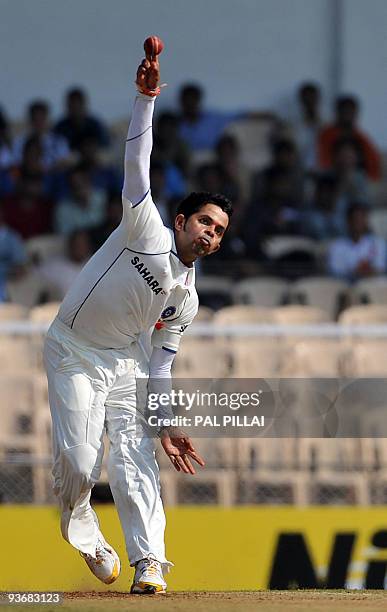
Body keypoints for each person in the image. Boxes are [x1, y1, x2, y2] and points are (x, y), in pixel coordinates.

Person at [43, 40, 232, 595]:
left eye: (219, 230)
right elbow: (135, 161)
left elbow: (162, 366)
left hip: (125, 363)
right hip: (73, 349)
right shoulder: (143, 227)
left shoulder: (187, 300)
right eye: (203, 222)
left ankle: (150, 563)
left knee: (133, 456)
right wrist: (145, 98)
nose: (210, 234)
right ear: (180, 220)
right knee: (79, 463)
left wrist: (167, 420)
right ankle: (88, 536)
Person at [318, 95, 381, 181]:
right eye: (344, 111)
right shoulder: (326, 134)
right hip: (332, 179)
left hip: (358, 180)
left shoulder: (361, 137)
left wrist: (370, 181)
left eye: (351, 111)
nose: (347, 115)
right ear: (337, 112)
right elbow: (322, 162)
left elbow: (373, 163)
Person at [327, 203, 386, 281]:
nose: (358, 223)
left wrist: (367, 269)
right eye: (355, 219)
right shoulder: (337, 246)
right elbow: (336, 273)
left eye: (362, 218)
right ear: (348, 221)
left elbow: (380, 268)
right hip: (347, 288)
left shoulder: (378, 243)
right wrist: (355, 271)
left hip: (372, 287)